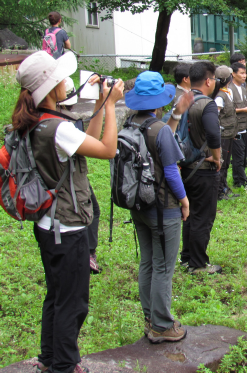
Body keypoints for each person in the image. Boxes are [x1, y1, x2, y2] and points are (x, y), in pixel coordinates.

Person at [14, 50, 124, 373]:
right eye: (61, 79)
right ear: (50, 89)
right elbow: (106, 149)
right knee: (73, 304)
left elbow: (86, 140)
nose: (66, 82)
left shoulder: (39, 123)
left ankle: (49, 359)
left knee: (56, 295)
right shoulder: (56, 129)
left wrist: (99, 106)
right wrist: (114, 105)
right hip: (69, 229)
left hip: (47, 225)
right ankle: (64, 365)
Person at [125, 71, 192, 343]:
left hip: (138, 205)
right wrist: (185, 202)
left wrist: (175, 116)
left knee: (148, 262)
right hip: (164, 208)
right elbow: (172, 172)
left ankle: (149, 317)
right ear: (158, 103)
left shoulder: (129, 126)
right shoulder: (160, 131)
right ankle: (162, 325)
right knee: (164, 266)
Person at [180, 61, 223, 275]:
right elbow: (214, 135)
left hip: (184, 167)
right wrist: (217, 158)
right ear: (208, 80)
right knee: (203, 216)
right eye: (214, 79)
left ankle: (186, 257)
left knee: (189, 213)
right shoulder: (207, 104)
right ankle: (198, 264)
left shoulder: (182, 101)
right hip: (203, 169)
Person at [62, 77, 102, 274]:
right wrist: (107, 104)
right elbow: (105, 149)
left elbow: (88, 139)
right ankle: (88, 254)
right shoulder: (62, 126)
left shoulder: (45, 119)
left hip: (63, 184)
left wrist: (100, 102)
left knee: (92, 208)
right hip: (68, 184)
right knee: (90, 210)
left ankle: (88, 253)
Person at [229, 62, 247, 193]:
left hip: (245, 126)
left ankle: (237, 179)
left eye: (245, 73)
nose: (244, 76)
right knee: (238, 157)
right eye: (241, 73)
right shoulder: (229, 89)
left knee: (243, 155)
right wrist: (243, 110)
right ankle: (241, 181)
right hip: (235, 129)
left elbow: (245, 105)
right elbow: (226, 111)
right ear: (233, 74)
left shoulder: (243, 88)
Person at [214, 66, 240, 201]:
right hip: (223, 135)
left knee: (226, 163)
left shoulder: (228, 91)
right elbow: (216, 116)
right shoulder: (219, 96)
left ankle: (224, 187)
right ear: (229, 78)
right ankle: (219, 191)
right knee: (222, 163)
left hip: (230, 133)